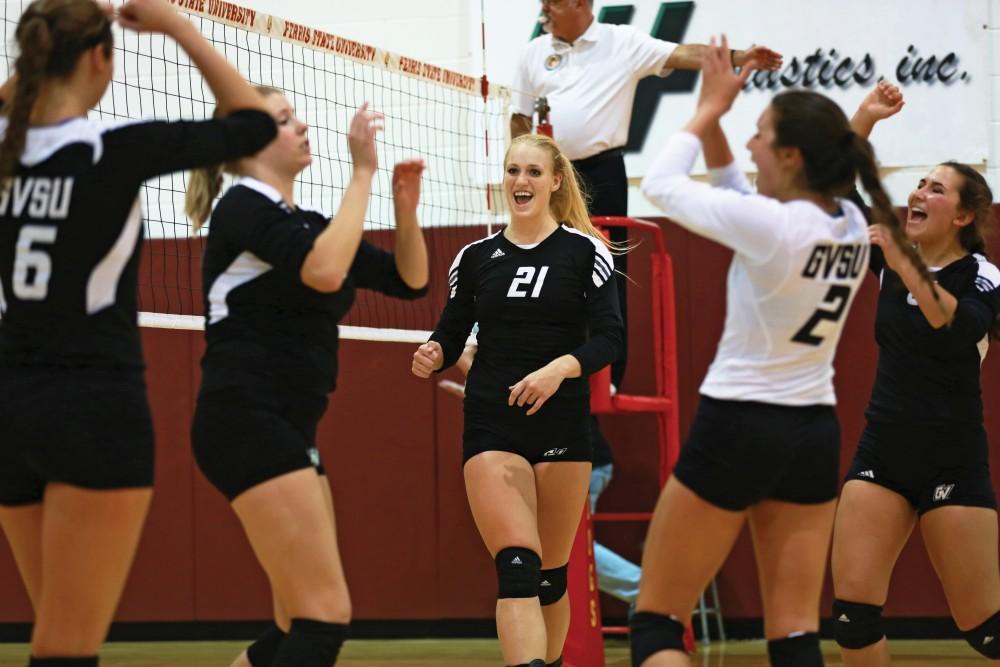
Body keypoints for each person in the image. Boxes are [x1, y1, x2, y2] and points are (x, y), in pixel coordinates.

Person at [628, 38, 934, 667]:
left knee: (657, 623)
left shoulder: (773, 227)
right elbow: (736, 187)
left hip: (739, 422)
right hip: (811, 432)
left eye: (760, 133)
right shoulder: (848, 221)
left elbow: (659, 181)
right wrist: (720, 117)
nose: (749, 142)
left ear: (792, 155)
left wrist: (707, 108)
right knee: (794, 633)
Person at [0, 0, 276, 664]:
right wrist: (177, 26)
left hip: (10, 409)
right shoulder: (116, 151)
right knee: (66, 645)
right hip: (93, 410)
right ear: (101, 59)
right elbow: (255, 124)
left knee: (55, 630)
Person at [511, 2, 781, 598]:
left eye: (553, 2)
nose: (545, 11)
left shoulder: (620, 42)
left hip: (604, 171)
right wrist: (521, 179)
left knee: (603, 278)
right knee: (544, 271)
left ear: (579, 4)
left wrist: (739, 59)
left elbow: (682, 55)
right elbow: (519, 121)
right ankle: (553, 362)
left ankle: (604, 368)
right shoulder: (535, 53)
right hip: (552, 171)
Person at [184, 87, 427, 666]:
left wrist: (405, 207)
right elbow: (322, 271)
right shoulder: (242, 207)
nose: (301, 126)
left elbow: (409, 281)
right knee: (324, 617)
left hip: (291, 428)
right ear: (247, 144)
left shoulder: (309, 223)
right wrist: (362, 172)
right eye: (284, 120)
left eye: (297, 115)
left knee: (296, 621)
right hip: (246, 418)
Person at [412, 132, 624, 667]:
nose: (520, 182)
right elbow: (451, 335)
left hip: (562, 425)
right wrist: (433, 352)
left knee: (551, 578)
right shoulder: (475, 257)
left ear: (555, 182)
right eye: (512, 171)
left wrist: (558, 370)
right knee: (517, 567)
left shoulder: (586, 250)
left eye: (532, 172)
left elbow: (610, 339)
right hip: (493, 423)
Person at [830, 81, 1000, 665]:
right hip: (885, 445)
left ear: (966, 214)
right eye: (919, 184)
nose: (919, 193)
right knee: (852, 618)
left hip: (951, 455)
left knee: (985, 629)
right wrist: (865, 118)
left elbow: (953, 328)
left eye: (937, 188)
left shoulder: (981, 274)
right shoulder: (892, 253)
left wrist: (903, 261)